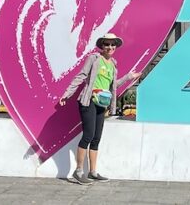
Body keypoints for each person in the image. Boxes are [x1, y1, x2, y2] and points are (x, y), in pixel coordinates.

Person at [59, 33, 139, 184]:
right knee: (88, 136)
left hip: (101, 103)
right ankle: (78, 171)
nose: (110, 47)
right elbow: (81, 76)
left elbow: (112, 86)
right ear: (102, 46)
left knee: (96, 138)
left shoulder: (113, 64)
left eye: (112, 44)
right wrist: (67, 94)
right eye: (107, 44)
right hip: (89, 101)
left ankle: (93, 172)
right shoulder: (94, 59)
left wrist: (129, 77)